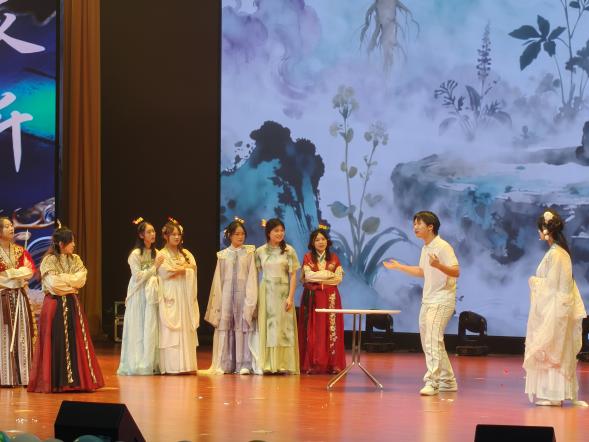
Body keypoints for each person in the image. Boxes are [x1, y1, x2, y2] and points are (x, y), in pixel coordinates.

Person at [384, 211, 460, 396]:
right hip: (428, 299)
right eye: (414, 224)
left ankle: (433, 381)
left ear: (430, 227)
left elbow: (456, 271)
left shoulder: (443, 246)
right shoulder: (426, 248)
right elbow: (422, 271)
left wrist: (439, 265)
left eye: (419, 224)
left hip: (442, 299)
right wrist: (399, 266)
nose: (415, 227)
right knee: (430, 341)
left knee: (433, 339)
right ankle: (448, 380)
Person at [28, 226, 104, 393]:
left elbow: (81, 280)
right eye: (71, 242)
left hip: (72, 304)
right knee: (55, 340)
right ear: (62, 244)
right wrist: (71, 284)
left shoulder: (75, 259)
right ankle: (56, 382)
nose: (74, 245)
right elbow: (53, 286)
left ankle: (76, 381)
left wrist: (66, 281)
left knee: (75, 340)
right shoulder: (48, 261)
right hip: (54, 306)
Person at [524, 209, 588, 407]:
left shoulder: (556, 254)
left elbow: (552, 286)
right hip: (558, 308)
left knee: (553, 349)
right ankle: (556, 393)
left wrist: (534, 281)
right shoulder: (559, 252)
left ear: (546, 231)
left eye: (540, 229)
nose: (538, 232)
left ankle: (554, 394)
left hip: (556, 309)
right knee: (557, 349)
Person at [203, 218, 257, 374]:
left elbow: (252, 277)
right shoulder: (223, 255)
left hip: (243, 294)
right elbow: (218, 280)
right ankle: (224, 363)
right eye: (237, 234)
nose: (240, 237)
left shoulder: (249, 253)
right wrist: (218, 300)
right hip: (226, 295)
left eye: (242, 234)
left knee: (242, 325)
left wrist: (251, 299)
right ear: (230, 236)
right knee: (225, 325)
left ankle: (244, 364)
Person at [117, 218, 163, 375]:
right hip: (138, 293)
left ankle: (151, 362)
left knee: (151, 326)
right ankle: (137, 363)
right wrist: (154, 267)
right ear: (141, 235)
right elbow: (137, 277)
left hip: (152, 294)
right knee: (138, 326)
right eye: (149, 232)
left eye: (153, 231)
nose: (152, 234)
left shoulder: (157, 253)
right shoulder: (135, 255)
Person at [254, 218, 300, 374]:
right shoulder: (260, 251)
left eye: (282, 230)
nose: (280, 233)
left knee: (284, 329)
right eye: (276, 231)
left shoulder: (289, 250)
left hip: (283, 293)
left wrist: (291, 297)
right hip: (266, 292)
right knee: (268, 328)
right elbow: (255, 274)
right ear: (268, 232)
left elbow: (293, 275)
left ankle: (283, 364)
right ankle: (268, 364)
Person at [298, 227, 345, 374]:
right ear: (312, 243)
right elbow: (307, 277)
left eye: (323, 239)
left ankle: (333, 364)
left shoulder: (334, 258)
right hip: (313, 296)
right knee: (314, 328)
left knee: (331, 328)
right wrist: (327, 274)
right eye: (317, 239)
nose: (320, 242)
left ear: (327, 241)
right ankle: (313, 364)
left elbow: (338, 279)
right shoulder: (308, 257)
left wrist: (318, 277)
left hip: (331, 297)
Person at [158, 218, 199, 374]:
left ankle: (187, 365)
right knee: (171, 330)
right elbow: (165, 272)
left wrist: (182, 269)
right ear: (166, 236)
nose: (176, 237)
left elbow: (193, 268)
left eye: (178, 234)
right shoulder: (161, 254)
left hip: (185, 294)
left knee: (185, 327)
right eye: (173, 234)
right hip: (171, 294)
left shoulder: (186, 253)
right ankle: (172, 366)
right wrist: (183, 269)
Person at [0, 217, 35, 387]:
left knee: (22, 335)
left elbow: (29, 271)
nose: (11, 228)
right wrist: (16, 275)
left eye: (11, 225)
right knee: (4, 335)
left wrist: (10, 274)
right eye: (7, 226)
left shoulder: (20, 251)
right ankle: (5, 377)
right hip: (2, 298)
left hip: (19, 297)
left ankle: (24, 377)